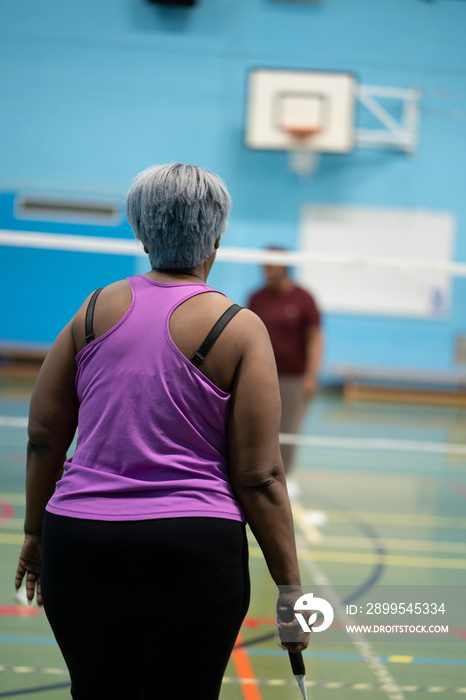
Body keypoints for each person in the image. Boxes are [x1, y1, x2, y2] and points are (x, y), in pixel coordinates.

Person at [15, 164, 308, 700]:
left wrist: (35, 534)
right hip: (192, 549)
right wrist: (290, 589)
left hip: (79, 542)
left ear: (141, 231)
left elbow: (43, 435)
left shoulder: (91, 312)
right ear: (216, 237)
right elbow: (260, 476)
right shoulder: (238, 327)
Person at [248, 250, 322, 495]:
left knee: (289, 428)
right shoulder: (256, 298)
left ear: (284, 267)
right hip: (260, 376)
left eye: (272, 264)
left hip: (293, 378)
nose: (267, 268)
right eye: (264, 263)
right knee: (259, 426)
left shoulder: (303, 298)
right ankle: (258, 473)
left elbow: (315, 339)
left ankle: (286, 476)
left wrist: (311, 375)